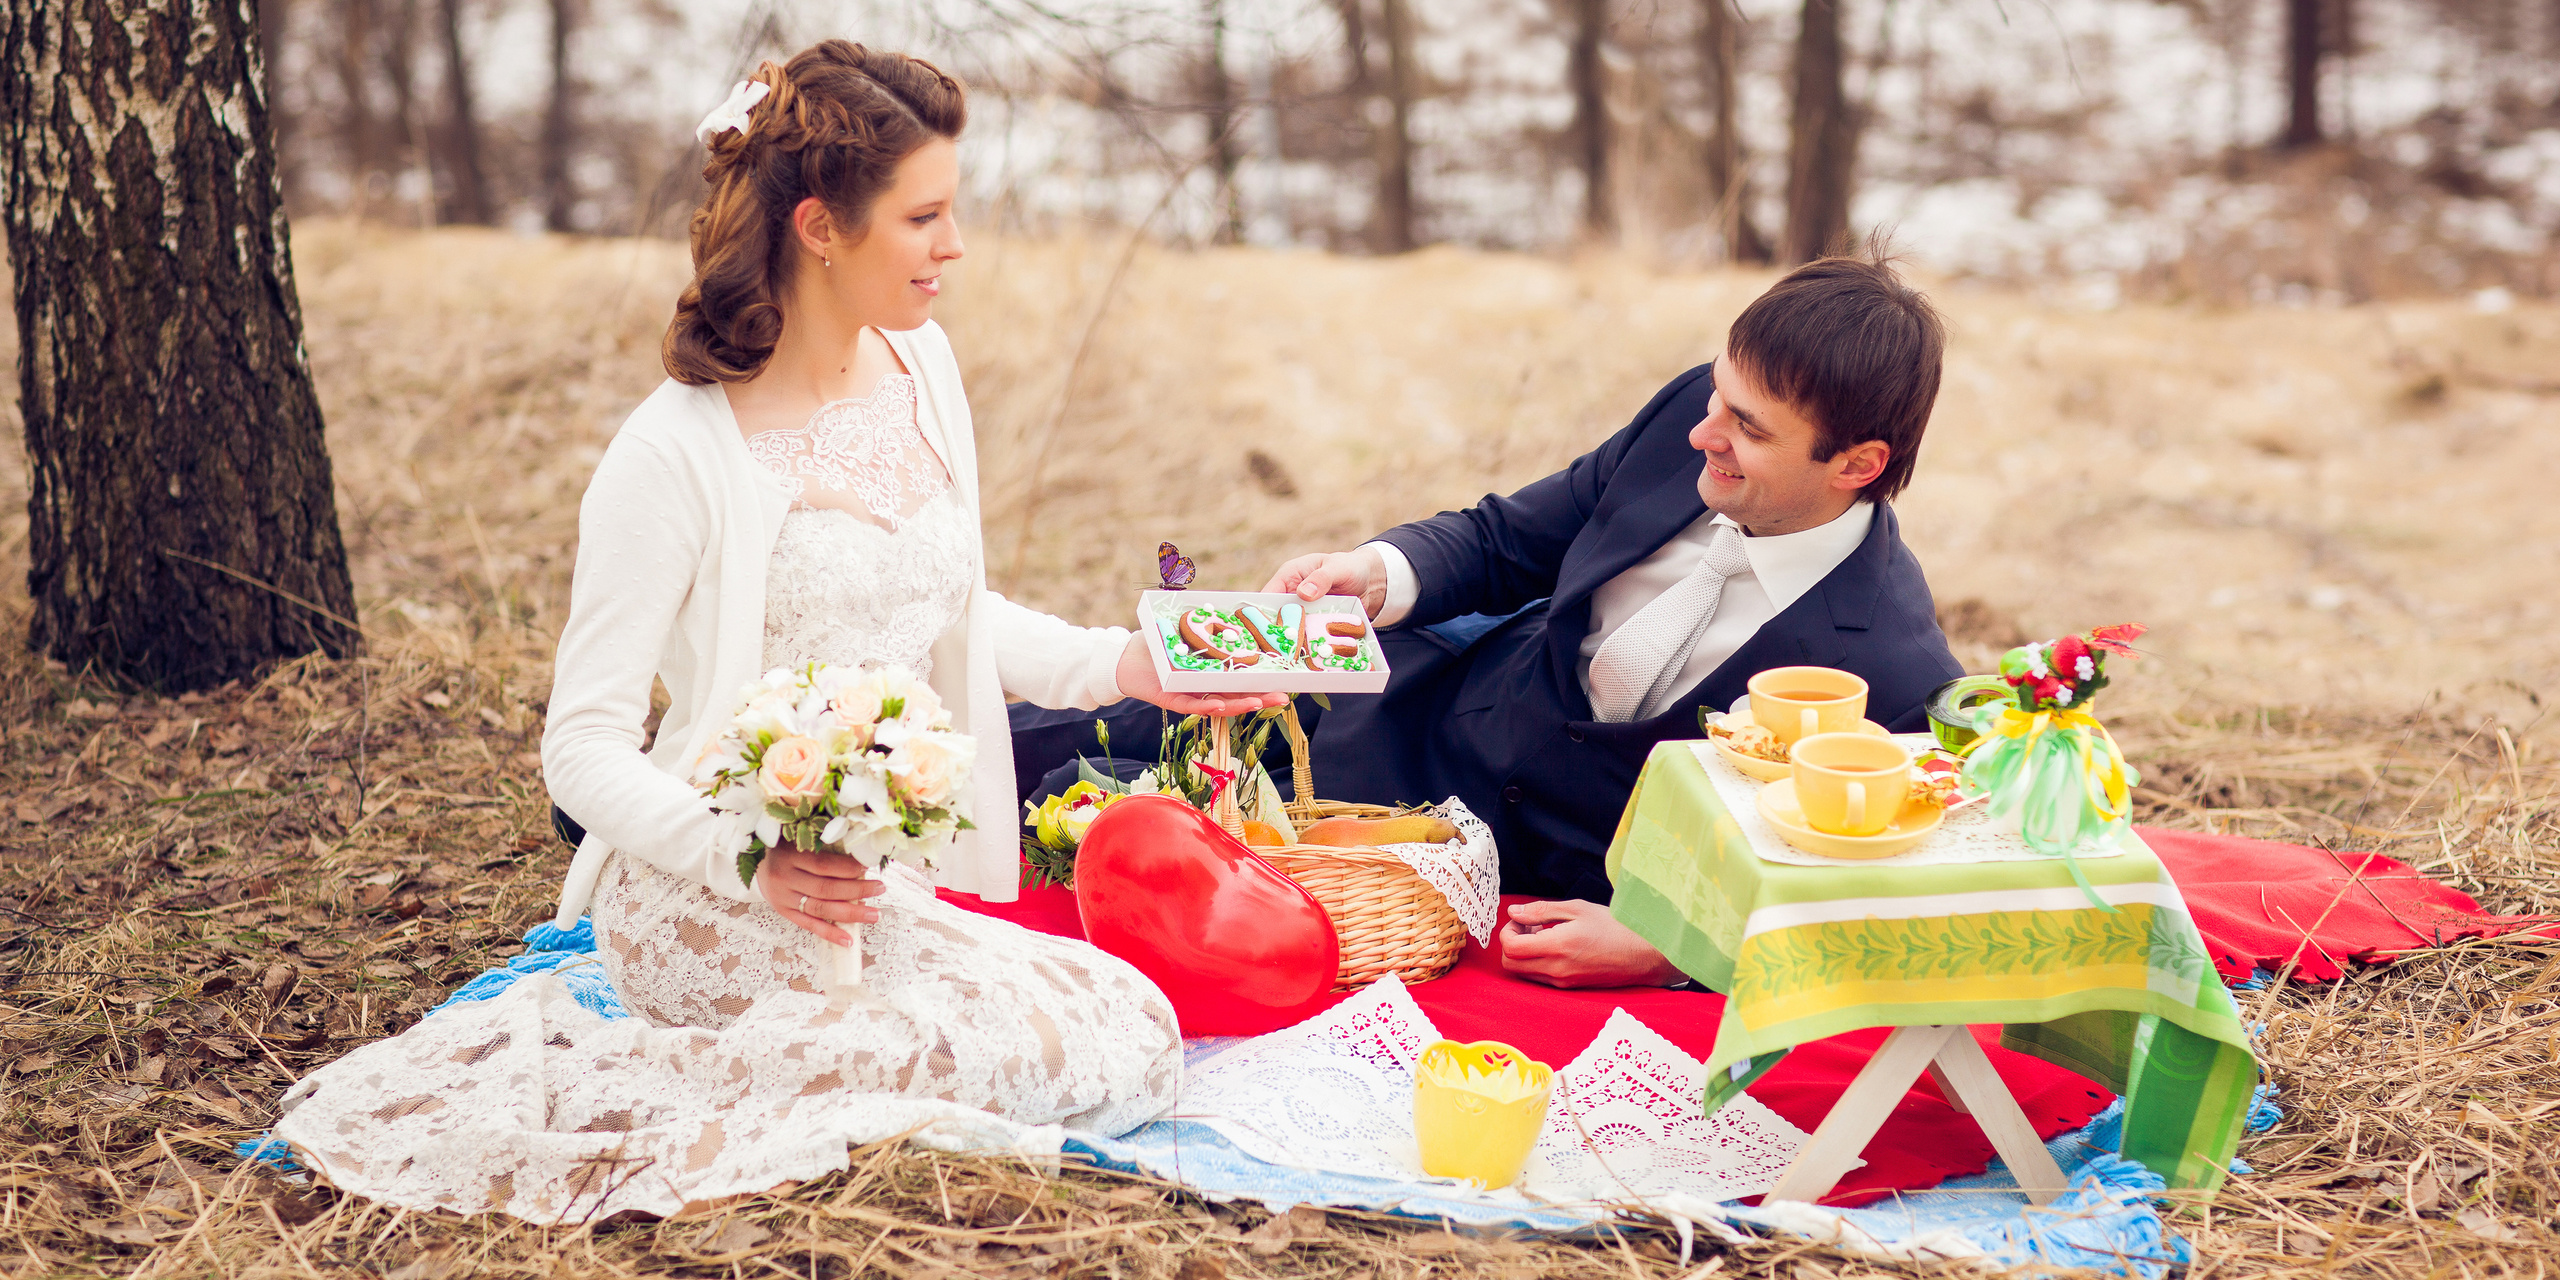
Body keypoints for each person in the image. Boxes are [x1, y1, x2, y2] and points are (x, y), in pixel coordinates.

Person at [271, 42, 1277, 1222]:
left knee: (1125, 1021)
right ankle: (652, 1093)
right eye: (926, 217)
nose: (954, 247)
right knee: (1012, 1048)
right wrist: (749, 858)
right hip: (711, 890)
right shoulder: (673, 450)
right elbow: (582, 747)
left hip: (878, 881)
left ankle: (867, 1054)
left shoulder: (923, 367)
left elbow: (943, 604)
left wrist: (1127, 664)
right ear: (819, 226)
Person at [1010, 252, 1958, 991]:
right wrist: (1374, 576)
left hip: (1484, 889)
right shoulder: (1691, 420)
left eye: (1749, 428)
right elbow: (1515, 538)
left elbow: (1882, 903)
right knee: (1045, 757)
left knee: (1119, 838)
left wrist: (1676, 948)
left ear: (1857, 464)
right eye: (1718, 395)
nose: (1707, 431)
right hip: (1413, 713)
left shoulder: (1897, 669)